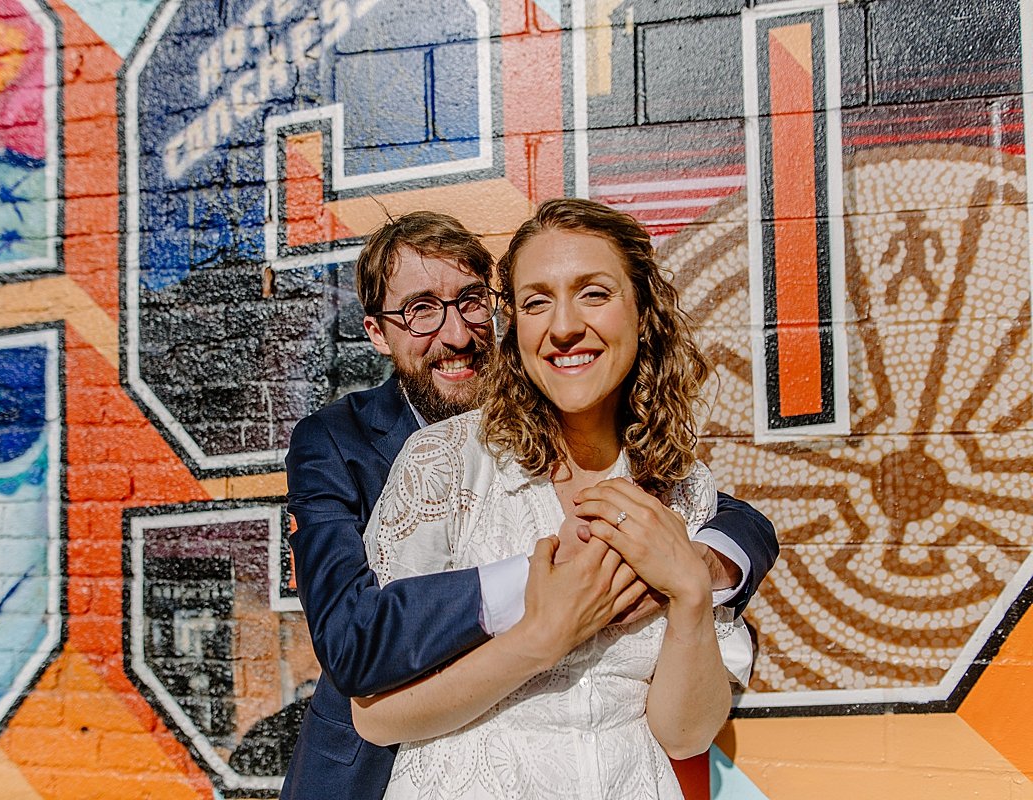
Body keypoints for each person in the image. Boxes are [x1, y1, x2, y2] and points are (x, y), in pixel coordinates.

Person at [281, 210, 778, 799]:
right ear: (376, 332)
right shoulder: (369, 447)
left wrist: (695, 578)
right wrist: (546, 603)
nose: (457, 334)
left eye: (470, 301)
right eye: (419, 310)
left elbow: (736, 522)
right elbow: (354, 641)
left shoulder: (672, 478)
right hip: (379, 773)